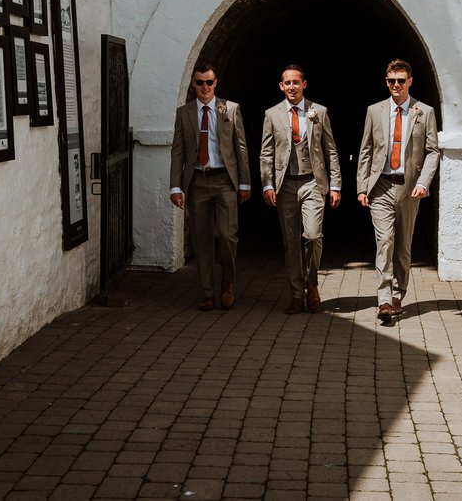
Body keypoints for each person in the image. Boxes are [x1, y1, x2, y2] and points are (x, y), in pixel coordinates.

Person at [356, 59, 439, 323]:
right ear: (386, 81)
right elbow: (366, 150)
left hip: (408, 187)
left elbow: (433, 151)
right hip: (380, 186)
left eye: (401, 81)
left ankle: (397, 295)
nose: (395, 85)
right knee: (385, 242)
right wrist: (361, 186)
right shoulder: (375, 110)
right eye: (391, 80)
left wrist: (423, 182)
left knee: (402, 247)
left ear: (410, 82)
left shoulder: (423, 112)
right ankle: (383, 300)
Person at [260, 65, 341, 314]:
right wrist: (267, 183)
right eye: (288, 83)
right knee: (291, 242)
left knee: (313, 236)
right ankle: (297, 293)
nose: (292, 87)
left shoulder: (319, 112)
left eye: (296, 82)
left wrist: (335, 184)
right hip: (285, 185)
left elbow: (330, 150)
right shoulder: (272, 114)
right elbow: (267, 152)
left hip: (312, 182)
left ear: (304, 84)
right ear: (281, 86)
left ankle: (312, 283)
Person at [170, 61, 251, 311]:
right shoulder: (184, 113)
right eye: (200, 82)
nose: (204, 86)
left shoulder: (230, 109)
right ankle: (207, 292)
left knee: (227, 235)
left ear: (216, 83)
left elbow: (240, 148)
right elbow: (178, 151)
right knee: (201, 239)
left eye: (209, 82)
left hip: (224, 180)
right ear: (194, 84)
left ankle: (227, 282)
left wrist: (245, 182)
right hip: (197, 182)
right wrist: (176, 187)